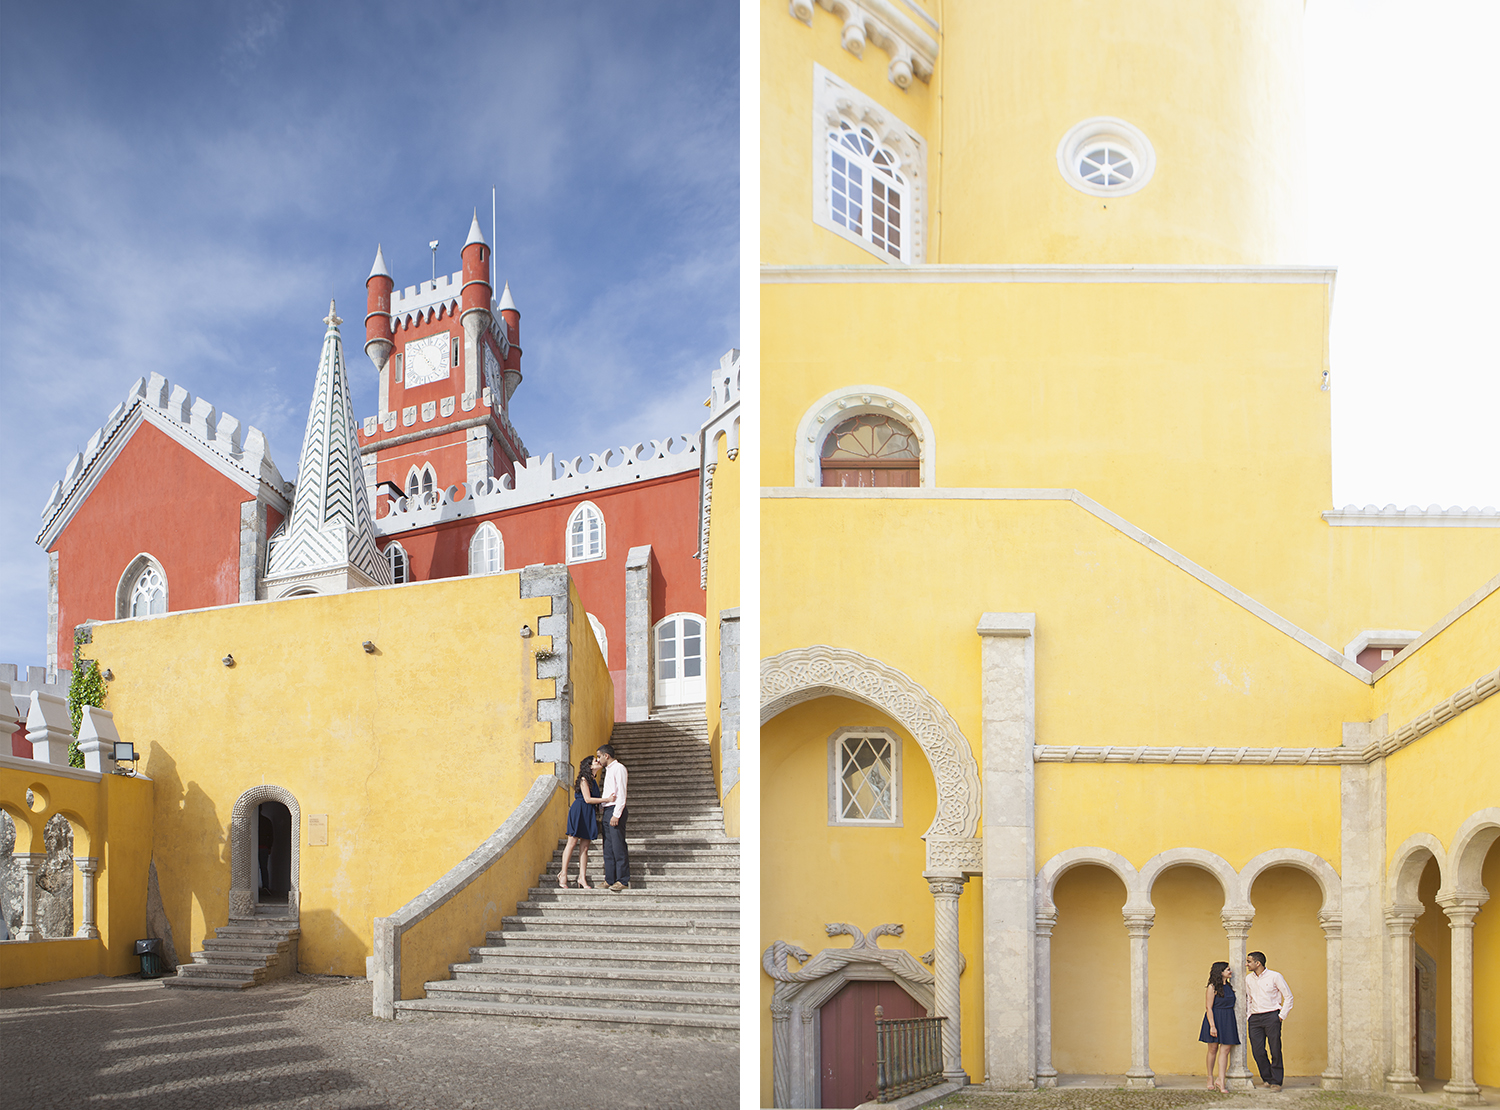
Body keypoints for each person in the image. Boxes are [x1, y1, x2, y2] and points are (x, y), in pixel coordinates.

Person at [1245, 950, 1293, 1090]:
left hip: (1271, 1016)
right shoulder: (1248, 979)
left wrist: (1280, 1016)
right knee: (1257, 1050)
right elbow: (1248, 998)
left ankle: (1276, 1082)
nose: (1247, 964)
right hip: (1255, 1018)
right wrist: (1249, 1015)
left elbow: (1288, 996)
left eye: (1249, 961)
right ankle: (1267, 1077)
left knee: (1275, 1049)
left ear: (1257, 963)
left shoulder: (1275, 976)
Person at [558, 756, 603, 888]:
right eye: (595, 760)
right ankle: (563, 874)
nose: (598, 761)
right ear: (589, 766)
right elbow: (588, 799)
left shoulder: (593, 781)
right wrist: (607, 799)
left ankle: (582, 878)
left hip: (588, 812)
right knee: (571, 843)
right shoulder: (584, 779)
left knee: (585, 847)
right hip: (579, 811)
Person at [1199, 961, 1240, 1092]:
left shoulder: (1230, 986)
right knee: (1213, 1049)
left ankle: (1221, 1080)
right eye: (1228, 969)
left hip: (1228, 1018)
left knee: (1226, 1050)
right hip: (1215, 1018)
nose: (1230, 971)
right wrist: (1212, 1026)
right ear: (1220, 972)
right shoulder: (1212, 987)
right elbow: (1208, 1007)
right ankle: (1210, 1077)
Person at [596, 743, 629, 891]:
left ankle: (622, 880)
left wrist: (617, 814)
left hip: (616, 809)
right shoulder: (608, 770)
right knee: (608, 847)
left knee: (618, 846)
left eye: (599, 756)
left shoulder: (619, 768)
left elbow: (621, 793)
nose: (598, 760)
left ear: (606, 756)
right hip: (608, 810)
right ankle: (609, 879)